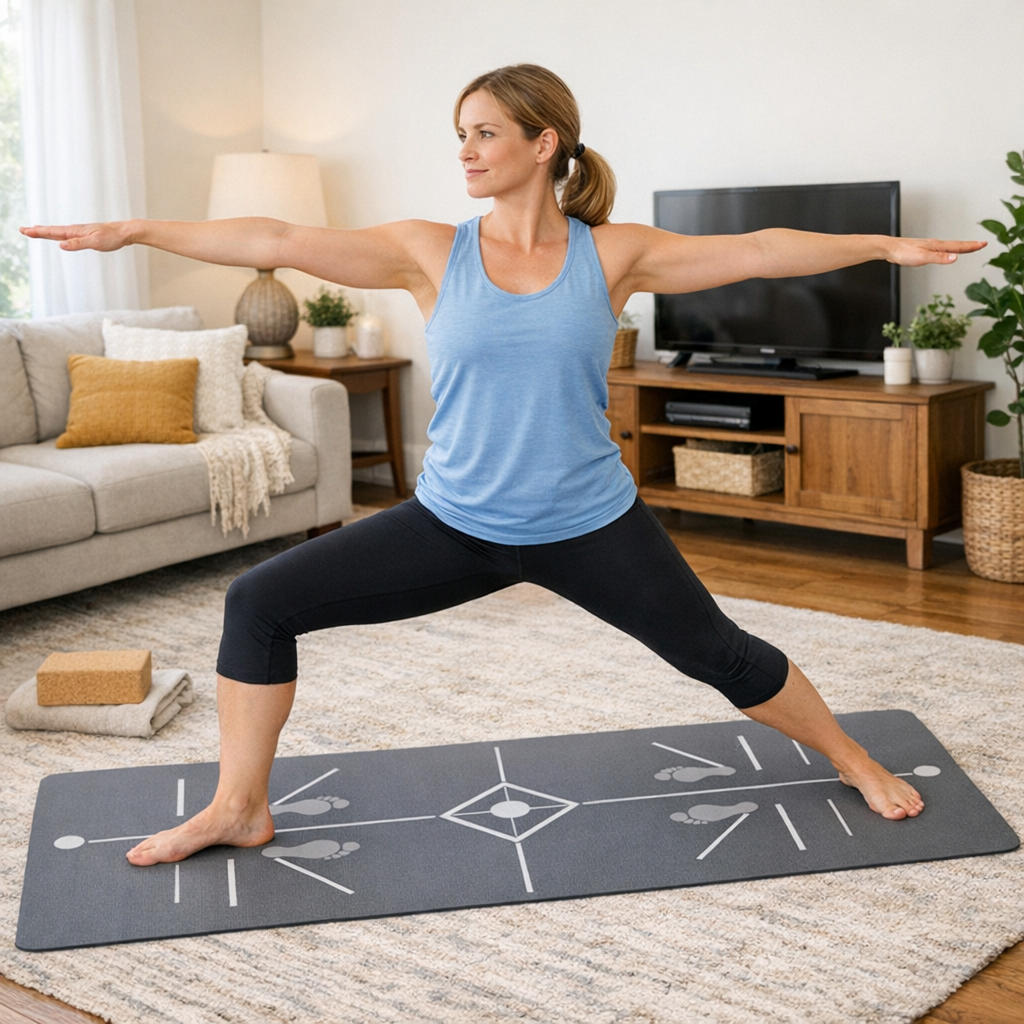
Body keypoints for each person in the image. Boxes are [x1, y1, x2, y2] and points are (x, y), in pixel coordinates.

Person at [24, 64, 983, 867]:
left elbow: (761, 250)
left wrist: (879, 245)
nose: (467, 152)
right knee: (259, 603)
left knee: (719, 655)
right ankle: (239, 805)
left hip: (591, 524)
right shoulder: (429, 252)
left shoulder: (613, 255)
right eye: (461, 135)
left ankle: (854, 760)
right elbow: (274, 240)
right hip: (455, 524)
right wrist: (135, 231)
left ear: (545, 143)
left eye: (485, 132)